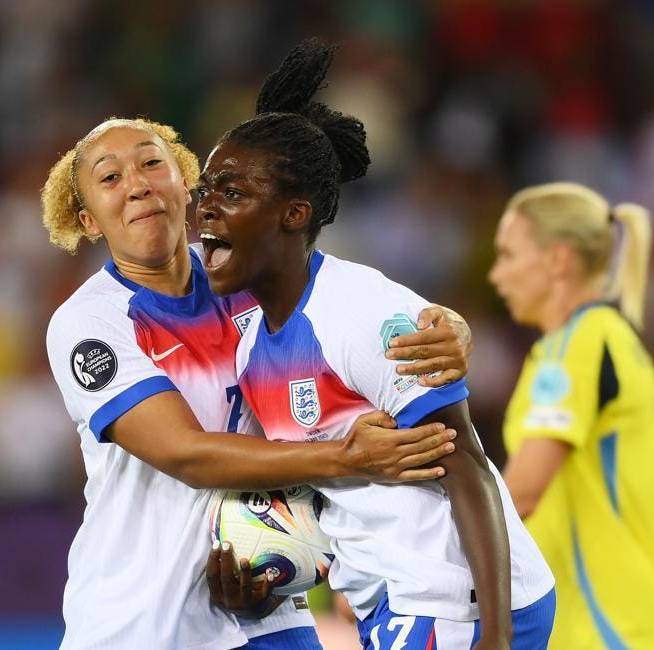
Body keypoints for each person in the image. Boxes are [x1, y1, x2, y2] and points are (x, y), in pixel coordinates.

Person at [40, 113, 473, 649]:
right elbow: (186, 455)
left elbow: (365, 305)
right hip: (142, 619)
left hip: (273, 606)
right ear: (87, 221)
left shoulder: (246, 274)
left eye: (153, 163)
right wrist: (348, 457)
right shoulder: (91, 323)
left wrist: (448, 325)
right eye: (110, 178)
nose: (137, 185)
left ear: (184, 181)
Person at [196, 39, 554, 650]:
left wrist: (494, 638)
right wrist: (263, 574)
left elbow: (466, 466)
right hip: (390, 602)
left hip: (455, 604)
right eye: (206, 190)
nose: (206, 209)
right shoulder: (252, 343)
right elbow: (319, 486)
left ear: (293, 213)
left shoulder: (364, 315)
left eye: (232, 193)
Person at [489, 182, 654, 649]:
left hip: (609, 632)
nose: (497, 276)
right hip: (650, 628)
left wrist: (410, 569)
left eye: (509, 256)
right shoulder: (616, 341)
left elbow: (523, 493)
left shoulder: (574, 348)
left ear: (557, 260)